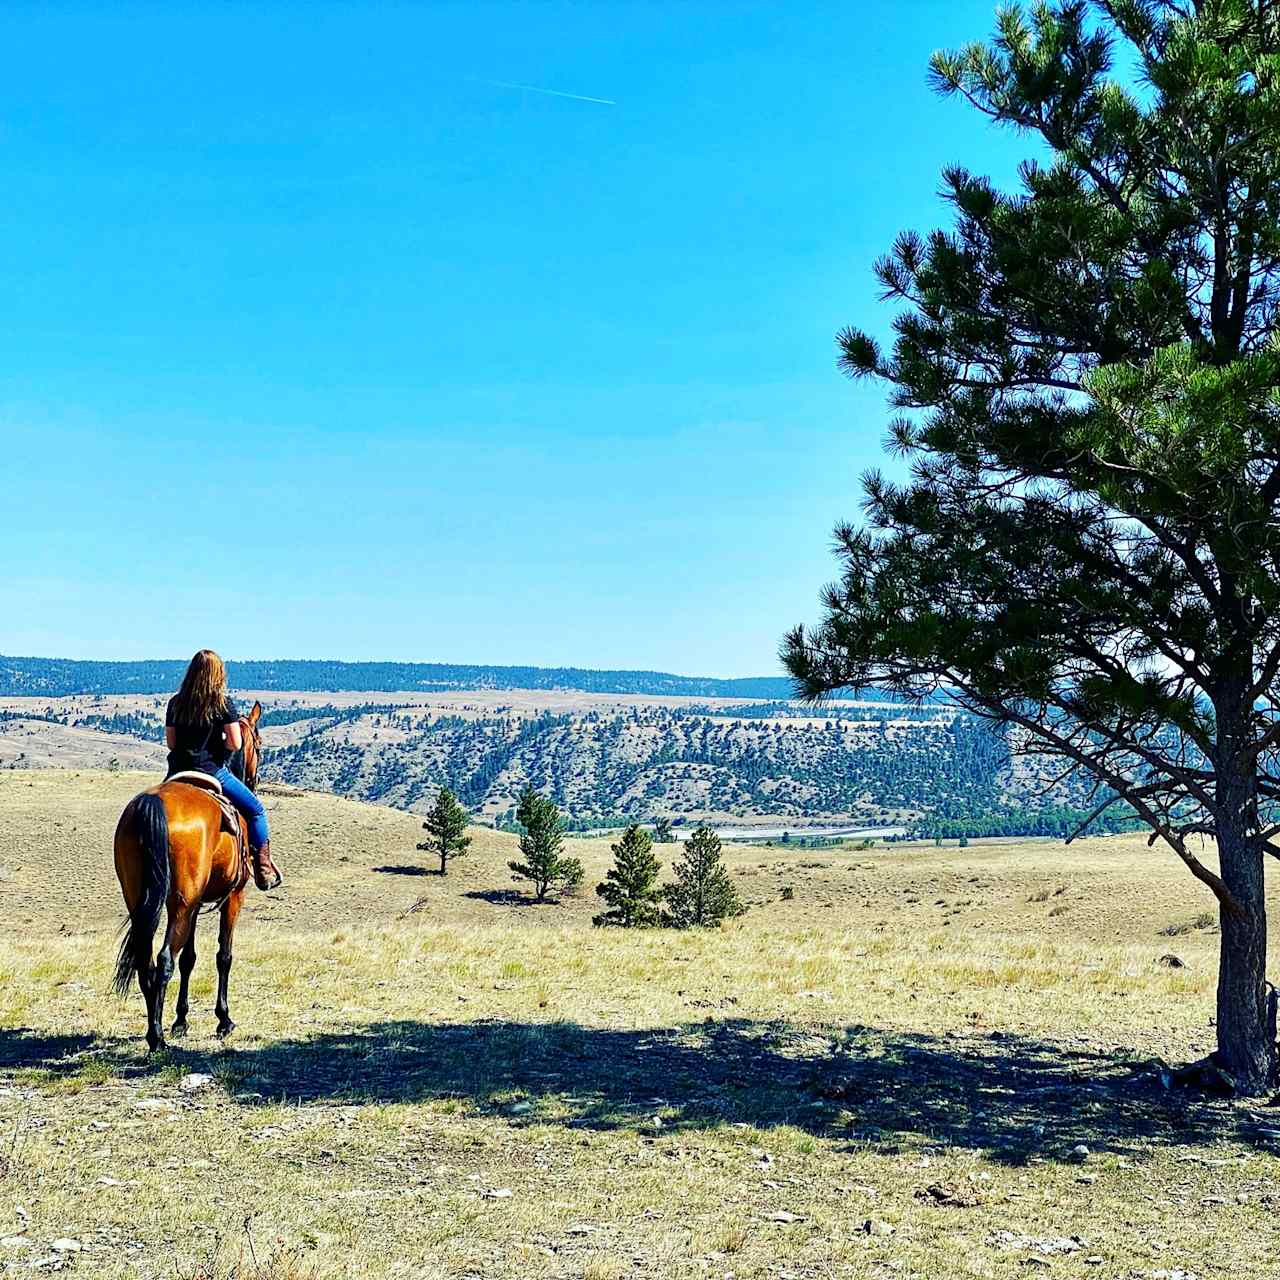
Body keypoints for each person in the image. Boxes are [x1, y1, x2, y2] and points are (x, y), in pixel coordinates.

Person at [164, 648, 282, 890]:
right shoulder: (222, 703)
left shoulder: (175, 703)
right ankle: (262, 867)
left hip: (176, 774)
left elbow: (171, 744)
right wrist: (219, 751)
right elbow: (235, 743)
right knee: (257, 810)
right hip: (212, 771)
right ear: (218, 674)